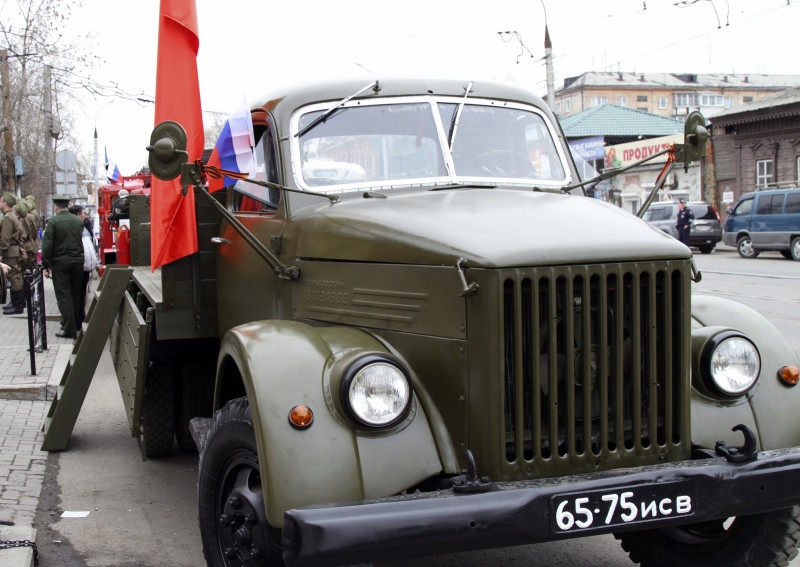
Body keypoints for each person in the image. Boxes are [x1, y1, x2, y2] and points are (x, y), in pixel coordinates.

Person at [42, 195, 84, 339]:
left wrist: (46, 263)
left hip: (60, 263)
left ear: (56, 206)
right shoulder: (78, 221)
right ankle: (76, 324)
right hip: (77, 261)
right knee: (75, 294)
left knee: (64, 296)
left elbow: (47, 245)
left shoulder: (53, 222)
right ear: (68, 205)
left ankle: (69, 329)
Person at [69, 204, 100, 325]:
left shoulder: (84, 226)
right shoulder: (74, 228)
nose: (85, 215)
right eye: (83, 213)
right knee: (78, 294)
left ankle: (80, 317)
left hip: (86, 266)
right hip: (80, 265)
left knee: (82, 293)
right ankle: (77, 319)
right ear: (77, 214)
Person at [0, 192, 25, 314]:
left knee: (13, 277)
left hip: (9, 251)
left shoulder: (7, 217)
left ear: (5, 203)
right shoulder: (12, 215)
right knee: (17, 276)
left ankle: (17, 305)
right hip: (14, 250)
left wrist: (1, 252)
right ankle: (19, 303)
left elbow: (5, 239)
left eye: (1, 201)